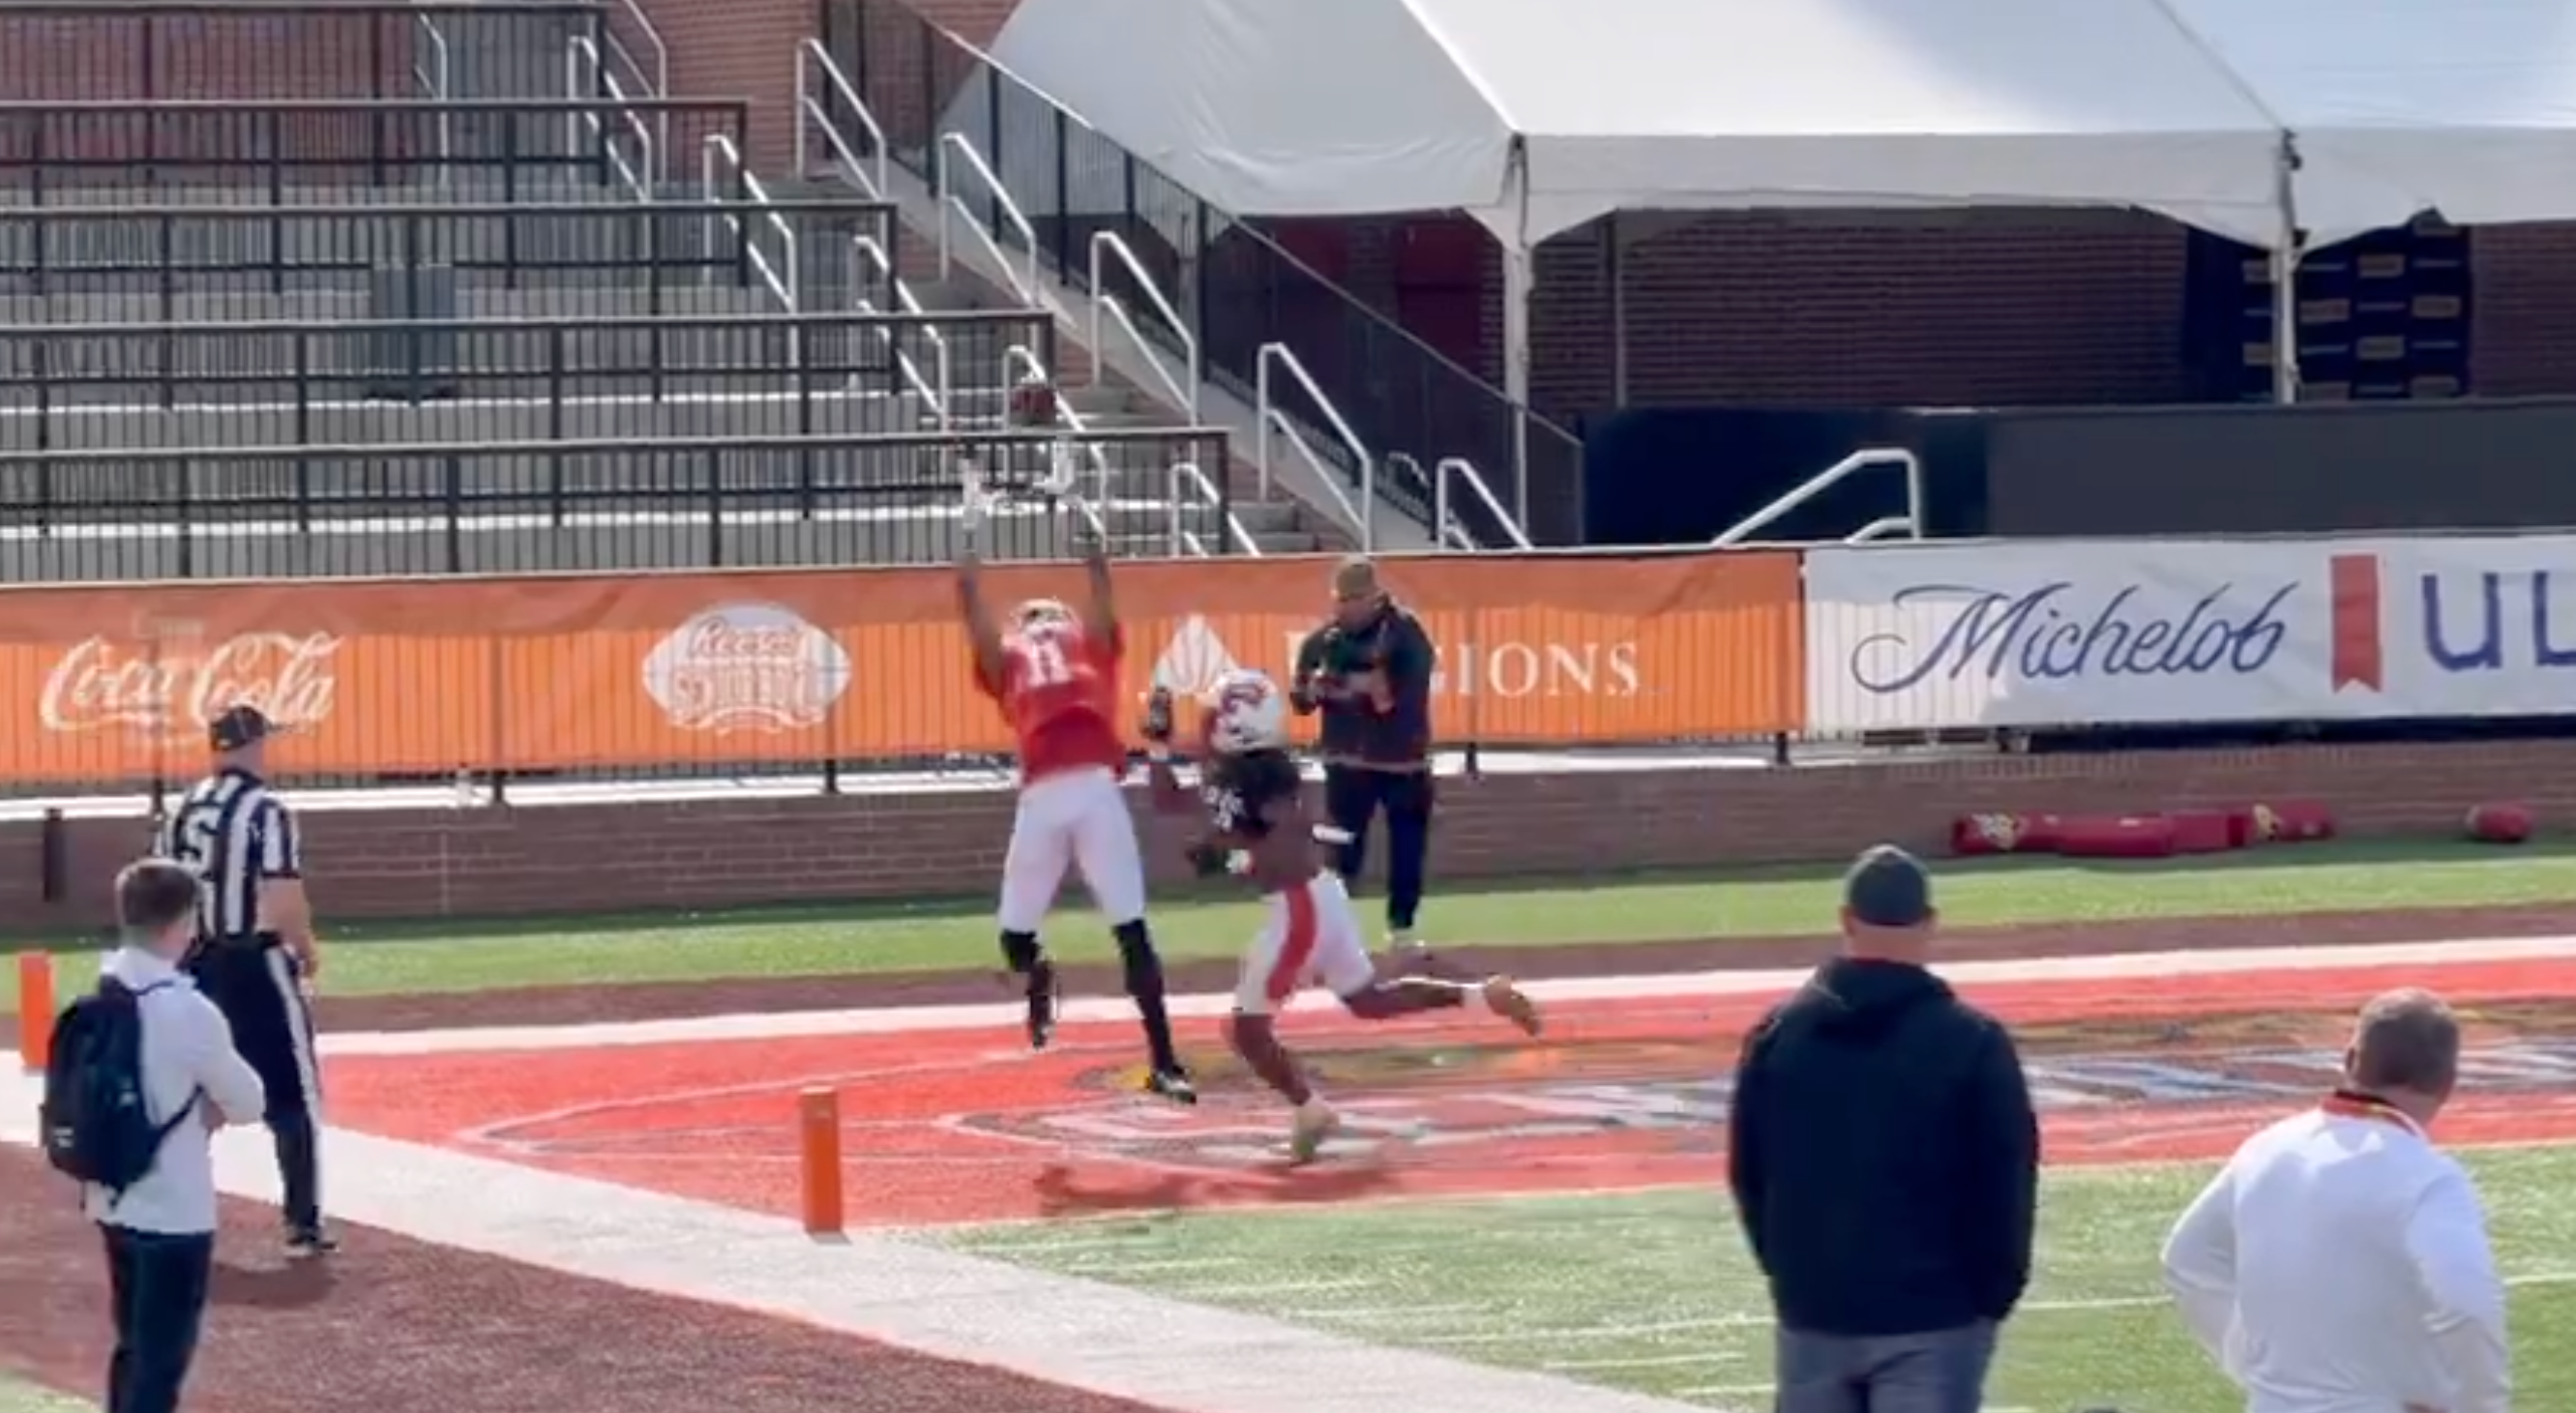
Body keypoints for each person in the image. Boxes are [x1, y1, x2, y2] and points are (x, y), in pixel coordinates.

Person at [1141, 667, 1540, 1163]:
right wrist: (1157, 748)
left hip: (1299, 906)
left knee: (1244, 1030)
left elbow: (1278, 843)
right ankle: (1482, 997)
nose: (1202, 725)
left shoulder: (1265, 778)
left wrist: (1229, 857)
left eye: (1211, 716)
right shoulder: (1234, 769)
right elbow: (1169, 801)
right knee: (1366, 1000)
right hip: (1315, 897)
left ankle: (1310, 1109)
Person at [1727, 844, 2037, 1413]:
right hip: (1934, 1313)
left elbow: (1749, 1174)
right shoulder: (1971, 1040)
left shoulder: (1779, 1036)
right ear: (1930, 924)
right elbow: (2005, 1181)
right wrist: (1992, 1295)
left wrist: (1795, 1272)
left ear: (1846, 919)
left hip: (1815, 1308)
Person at [2161, 987, 2508, 1413]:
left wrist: (2258, 1370)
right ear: (2448, 1085)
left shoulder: (2267, 1149)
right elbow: (2466, 1305)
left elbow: (2188, 1258)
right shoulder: (2428, 1179)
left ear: (2349, 1059)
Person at [958, 523, 1193, 1104]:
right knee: (1014, 935)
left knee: (1131, 925)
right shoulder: (1016, 657)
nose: (1041, 617)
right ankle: (1039, 974)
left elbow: (1105, 620)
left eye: (1047, 609)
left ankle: (1165, 1059)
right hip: (1044, 795)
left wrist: (1095, 564)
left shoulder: (1084, 646)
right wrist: (969, 572)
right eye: (1032, 612)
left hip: (1091, 788)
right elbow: (981, 627)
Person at [89, 858, 267, 1413]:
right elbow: (249, 1101)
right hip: (174, 1204)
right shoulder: (188, 1010)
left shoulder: (103, 991)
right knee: (161, 1363)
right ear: (185, 922)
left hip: (113, 1194)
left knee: (131, 1347)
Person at [159, 704, 334, 1257]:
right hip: (254, 962)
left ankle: (171, 1215)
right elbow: (282, 895)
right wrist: (305, 949)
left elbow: (162, 891)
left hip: (195, 960)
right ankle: (302, 1224)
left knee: (191, 1094)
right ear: (253, 745)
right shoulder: (267, 811)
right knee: (293, 1094)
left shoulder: (183, 807)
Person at [1288, 557, 1437, 952]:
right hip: (1346, 762)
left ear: (1373, 597)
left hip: (1402, 761)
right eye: (1339, 600)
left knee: (1406, 847)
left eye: (1353, 600)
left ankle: (1402, 928)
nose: (1344, 609)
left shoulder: (1404, 635)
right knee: (1341, 847)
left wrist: (1361, 687)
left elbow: (1395, 702)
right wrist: (1317, 689)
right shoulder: (1323, 641)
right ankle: (1336, 931)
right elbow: (1300, 699)